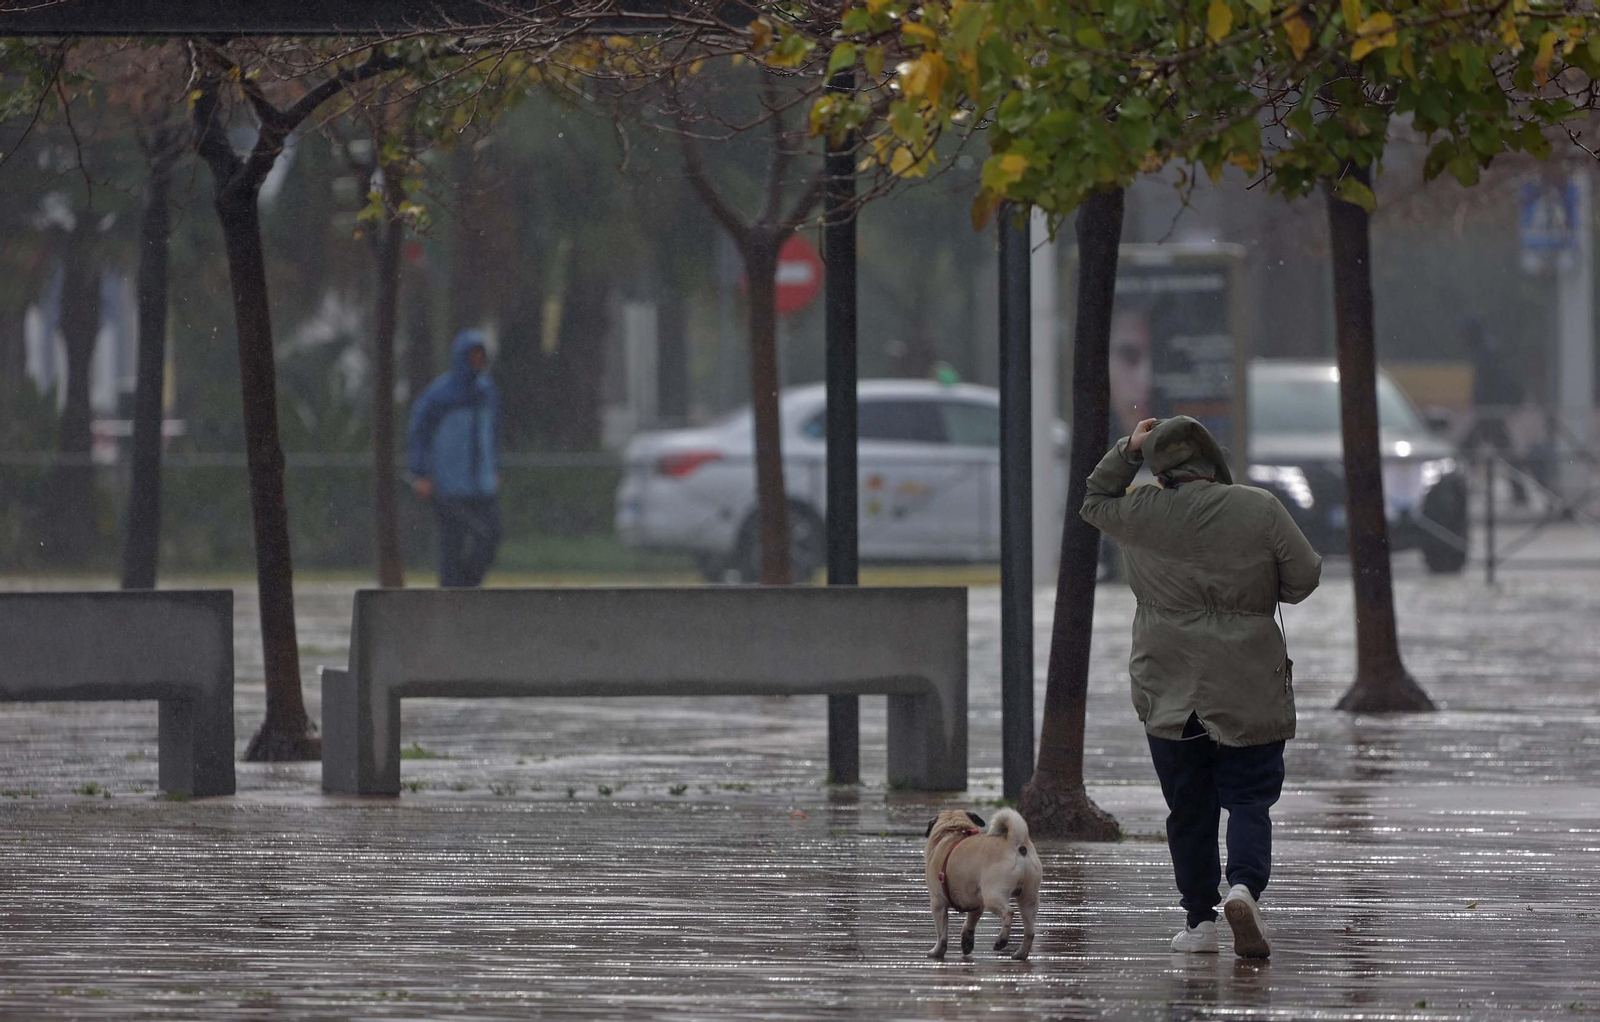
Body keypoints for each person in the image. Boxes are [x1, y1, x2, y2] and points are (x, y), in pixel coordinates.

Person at [1081, 415, 1321, 958]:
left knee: (1188, 806)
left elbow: (1093, 498)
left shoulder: (1140, 509)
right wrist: (1258, 594)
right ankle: (1244, 888)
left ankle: (1199, 922)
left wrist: (1130, 448)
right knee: (1249, 797)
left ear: (1161, 467)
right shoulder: (1258, 508)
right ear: (1214, 460)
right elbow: (1304, 576)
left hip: (1168, 685)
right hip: (1248, 682)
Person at [407, 329, 501, 588]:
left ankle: (467, 587)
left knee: (491, 535)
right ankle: (451, 596)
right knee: (452, 544)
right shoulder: (438, 395)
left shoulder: (487, 392)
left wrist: (495, 468)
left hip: (482, 485)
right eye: (473, 355)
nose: (478, 361)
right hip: (449, 486)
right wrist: (421, 473)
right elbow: (419, 435)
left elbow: (491, 435)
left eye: (482, 355)